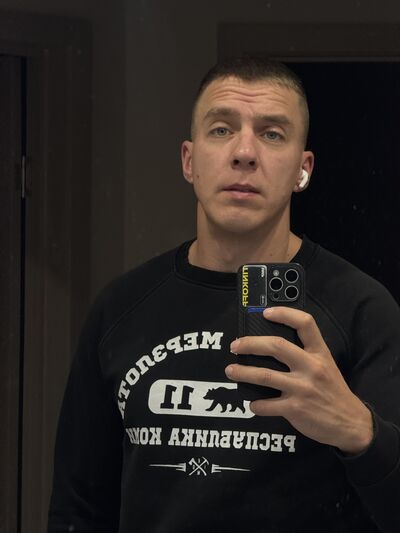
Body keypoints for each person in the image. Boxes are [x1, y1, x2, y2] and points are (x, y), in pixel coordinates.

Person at [48, 56, 400, 533]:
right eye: (221, 129)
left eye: (272, 134)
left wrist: (359, 431)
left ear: (303, 169)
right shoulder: (121, 307)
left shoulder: (362, 310)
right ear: (189, 161)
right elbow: (78, 507)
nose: (244, 152)